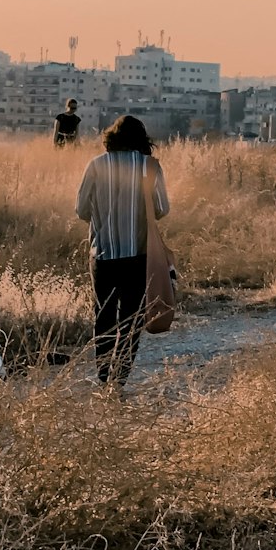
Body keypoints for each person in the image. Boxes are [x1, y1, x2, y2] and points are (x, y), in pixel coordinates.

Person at [74, 114, 169, 387]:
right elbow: (162, 209)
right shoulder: (149, 167)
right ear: (141, 139)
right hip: (137, 256)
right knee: (130, 321)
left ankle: (103, 377)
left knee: (103, 318)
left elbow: (81, 211)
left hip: (102, 255)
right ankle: (119, 380)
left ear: (111, 138)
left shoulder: (95, 165)